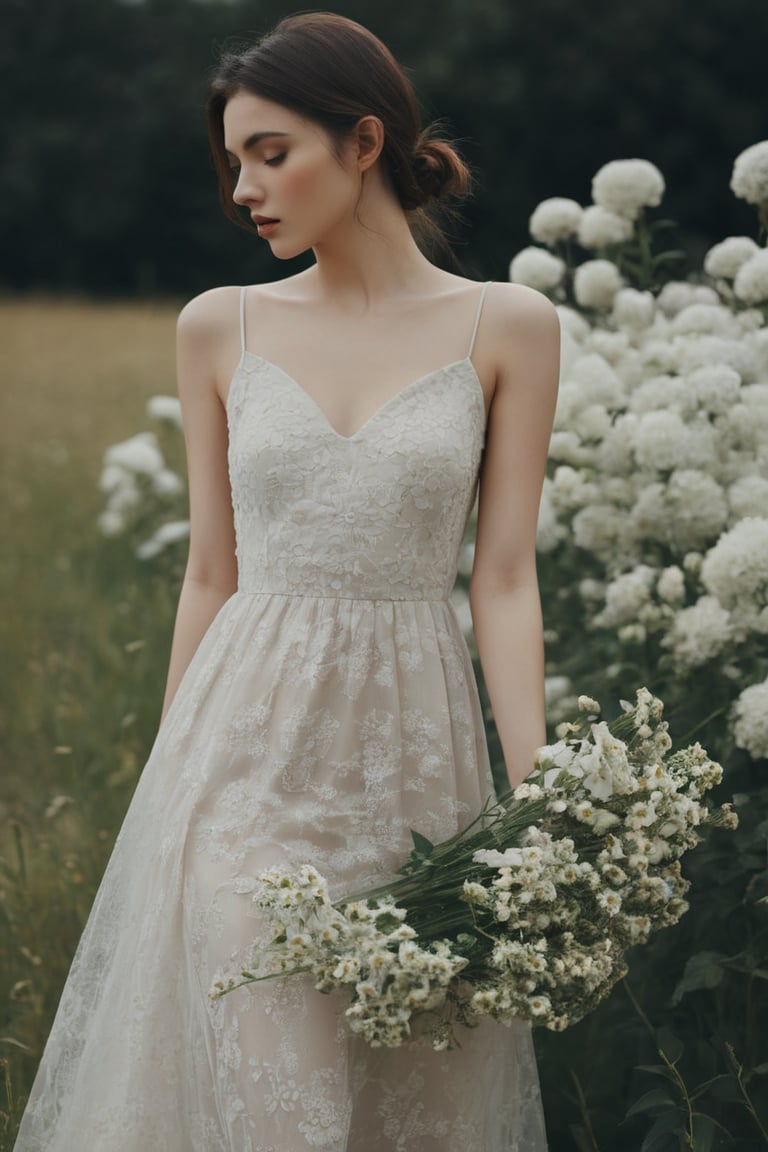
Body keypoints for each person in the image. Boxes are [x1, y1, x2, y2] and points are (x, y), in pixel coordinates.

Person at [14, 12, 559, 1151]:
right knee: (276, 1106)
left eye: (271, 153)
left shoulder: (508, 324)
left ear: (365, 143)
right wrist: (173, 784)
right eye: (234, 164)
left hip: (419, 768)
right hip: (245, 764)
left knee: (412, 1095)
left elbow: (503, 579)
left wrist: (541, 793)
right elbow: (211, 572)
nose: (245, 189)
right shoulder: (222, 326)